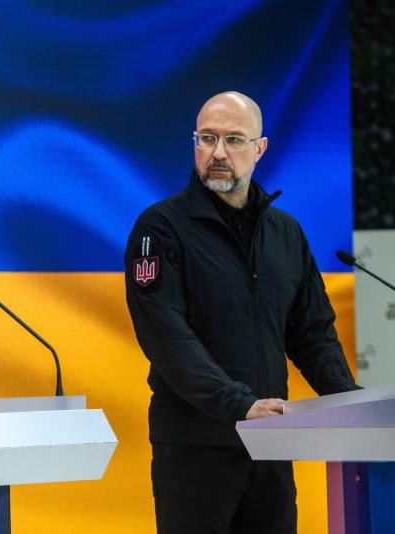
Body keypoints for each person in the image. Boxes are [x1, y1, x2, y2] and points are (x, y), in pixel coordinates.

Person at [125, 91, 359, 534]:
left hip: (271, 444)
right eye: (207, 138)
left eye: (233, 139)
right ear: (195, 143)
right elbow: (167, 338)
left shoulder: (285, 233)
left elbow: (312, 333)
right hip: (195, 450)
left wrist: (349, 402)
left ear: (259, 148)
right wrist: (240, 404)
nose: (218, 152)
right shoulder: (160, 229)